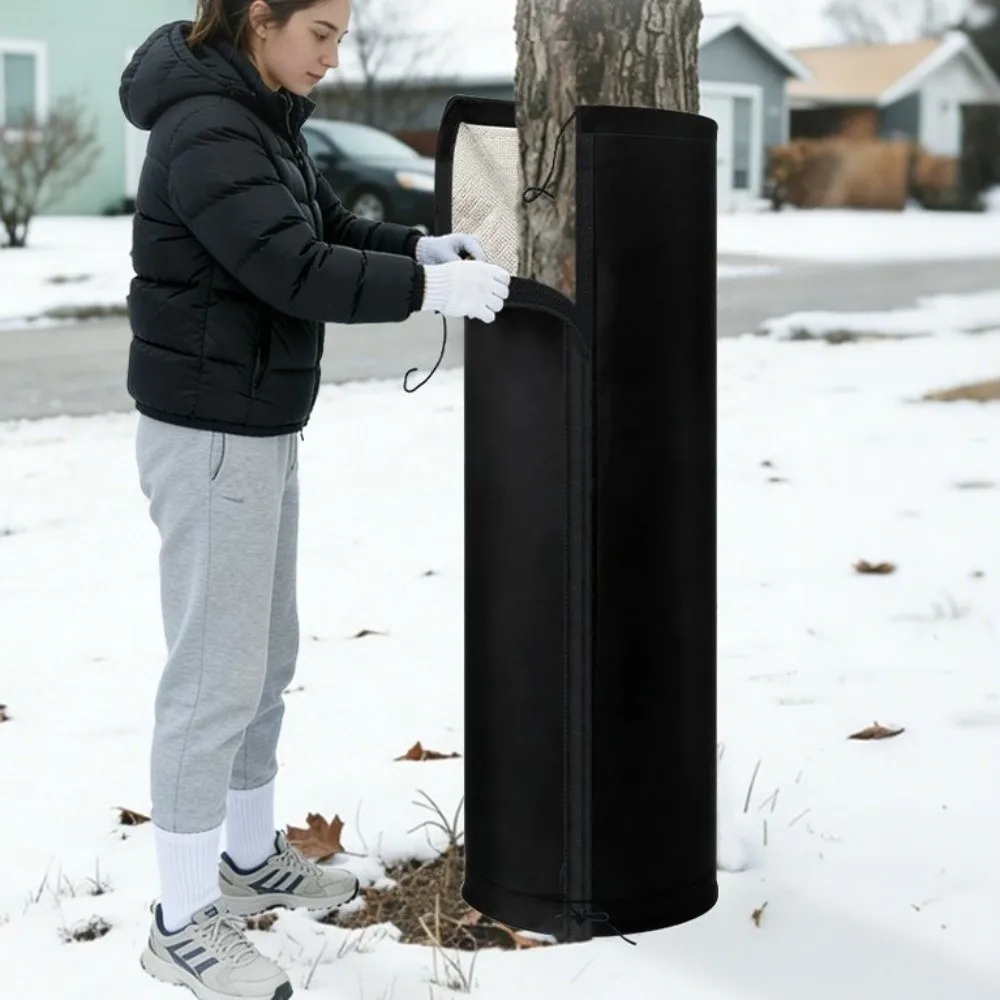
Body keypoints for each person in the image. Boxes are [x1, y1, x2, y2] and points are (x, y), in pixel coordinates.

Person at [119, 1, 509, 997]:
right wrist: (430, 297)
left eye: (342, 33)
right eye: (322, 32)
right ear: (260, 20)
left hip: (254, 422)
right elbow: (288, 269)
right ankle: (180, 921)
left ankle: (247, 862)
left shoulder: (257, 115)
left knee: (261, 660)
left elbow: (323, 227)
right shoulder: (206, 127)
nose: (336, 55)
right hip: (210, 432)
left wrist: (419, 249)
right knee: (213, 676)